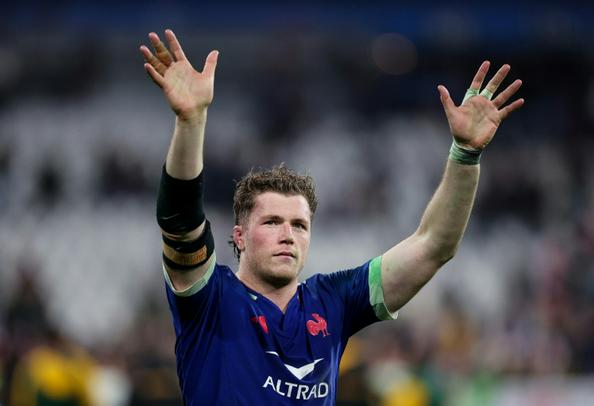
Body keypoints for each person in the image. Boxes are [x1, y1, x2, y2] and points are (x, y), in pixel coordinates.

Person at [139, 29, 524, 405]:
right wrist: (191, 122)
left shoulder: (332, 302)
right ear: (239, 236)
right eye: (272, 222)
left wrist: (465, 155)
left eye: (299, 225)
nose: (288, 234)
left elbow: (434, 245)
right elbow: (180, 220)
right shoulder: (209, 299)